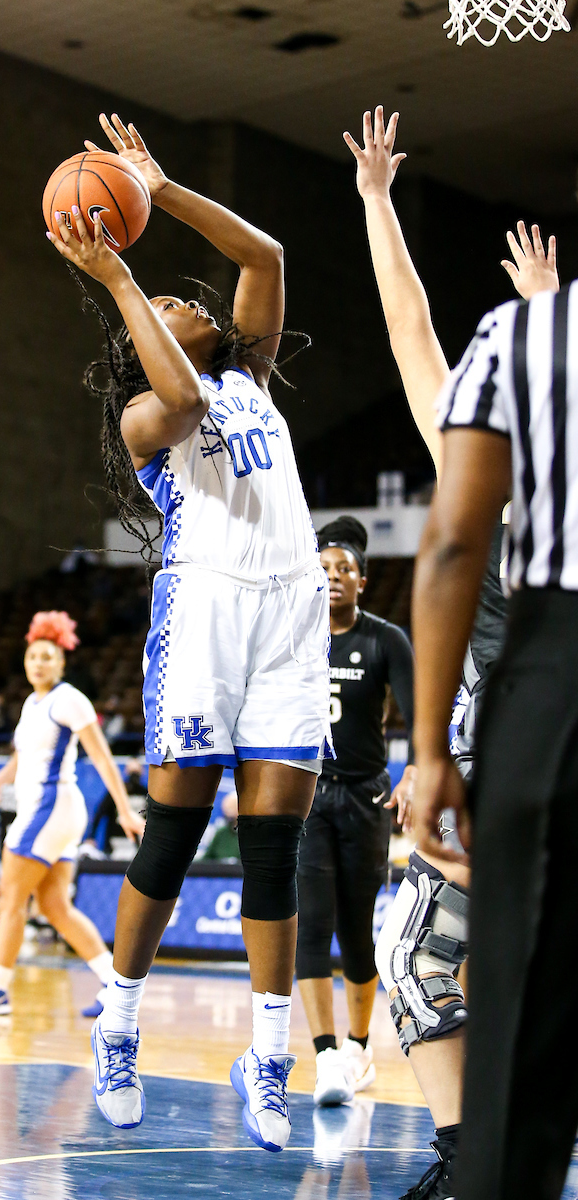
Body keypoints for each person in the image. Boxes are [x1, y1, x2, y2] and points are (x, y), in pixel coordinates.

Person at [48, 111, 332, 1151]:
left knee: (271, 845)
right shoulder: (146, 420)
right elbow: (169, 382)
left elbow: (264, 253)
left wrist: (155, 189)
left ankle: (267, 1057)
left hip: (290, 602)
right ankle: (117, 1023)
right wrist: (119, 280)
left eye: (178, 294)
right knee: (172, 832)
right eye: (163, 299)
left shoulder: (250, 379)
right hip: (207, 601)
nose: (181, 296)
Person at [343, 106, 560, 1199]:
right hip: (501, 739)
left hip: (511, 742)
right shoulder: (516, 428)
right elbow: (409, 333)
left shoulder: (504, 472)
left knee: (431, 961)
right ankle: (455, 1157)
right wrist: (379, 204)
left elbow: (417, 341)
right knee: (417, 961)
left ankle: (470, 1161)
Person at [412, 280, 578, 1200]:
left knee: (521, 1058)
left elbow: (449, 544)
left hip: (556, 690)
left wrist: (430, 750)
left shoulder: (524, 335)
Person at [0, 611, 145, 1020]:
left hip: (50, 808)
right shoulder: (31, 703)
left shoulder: (68, 698)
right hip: (51, 811)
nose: (39, 662)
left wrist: (124, 808)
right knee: (54, 905)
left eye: (47, 656)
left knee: (10, 897)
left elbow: (101, 755)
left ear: (61, 662)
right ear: (25, 661)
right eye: (33, 655)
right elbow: (22, 757)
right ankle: (115, 986)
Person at [297, 515, 415, 1106]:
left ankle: (359, 1046)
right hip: (310, 797)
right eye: (323, 569)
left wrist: (416, 768)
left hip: (367, 798)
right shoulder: (293, 635)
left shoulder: (386, 639)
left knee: (356, 933)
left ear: (362, 581)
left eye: (345, 569)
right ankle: (323, 1058)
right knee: (311, 928)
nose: (334, 577)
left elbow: (421, 718)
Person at [85, 758, 147, 856]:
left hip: (138, 843)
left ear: (142, 771)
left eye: (136, 770)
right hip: (115, 842)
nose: (134, 774)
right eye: (132, 770)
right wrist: (91, 837)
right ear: (126, 771)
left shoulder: (146, 793)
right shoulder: (117, 793)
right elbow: (99, 813)